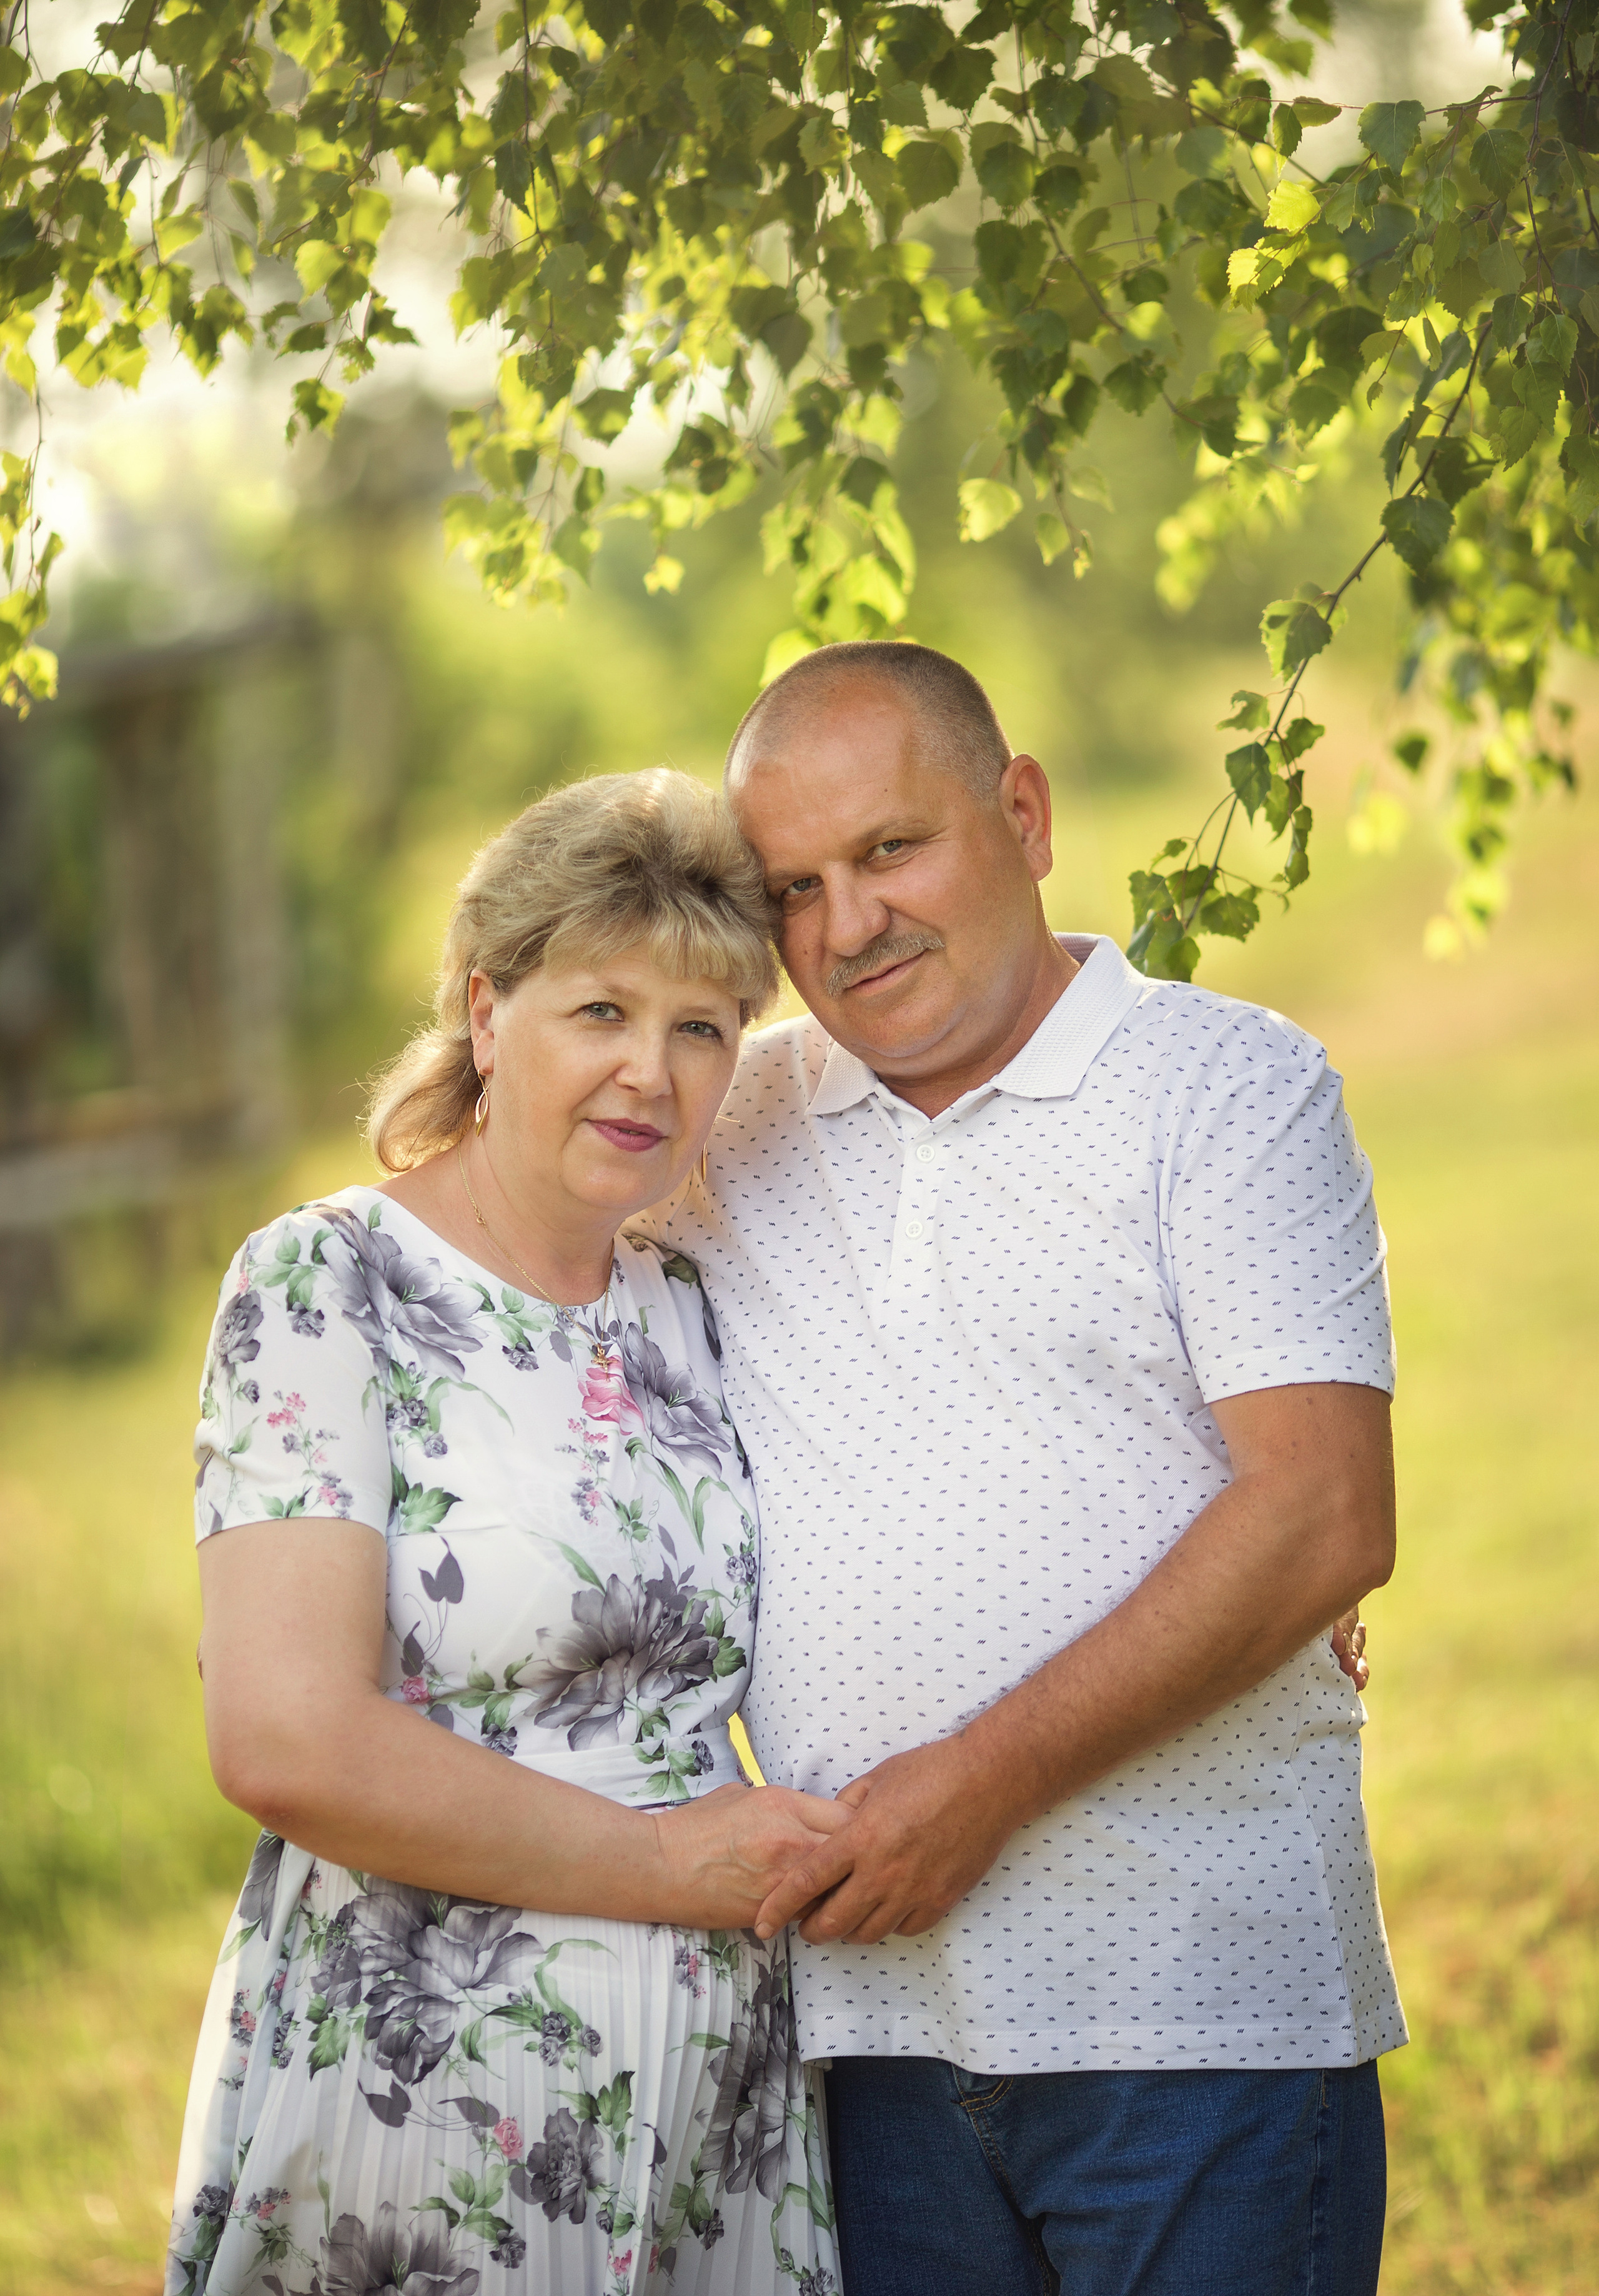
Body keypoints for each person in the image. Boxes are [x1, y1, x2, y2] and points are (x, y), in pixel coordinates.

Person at [641, 640, 1406, 2296]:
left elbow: (1325, 1510)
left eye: (891, 848)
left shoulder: (1227, 1087)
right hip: (862, 2037)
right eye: (794, 889)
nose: (850, 924)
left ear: (1026, 814)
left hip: (1198, 2015)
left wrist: (981, 1780)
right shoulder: (725, 1125)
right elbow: (503, 1175)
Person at [166, 773, 844, 2296]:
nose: (649, 1072)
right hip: (434, 2091)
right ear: (486, 1009)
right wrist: (663, 1862)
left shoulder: (687, 1301)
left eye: (701, 1027)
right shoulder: (326, 1283)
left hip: (710, 2096)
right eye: (599, 1009)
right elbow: (282, 1737)